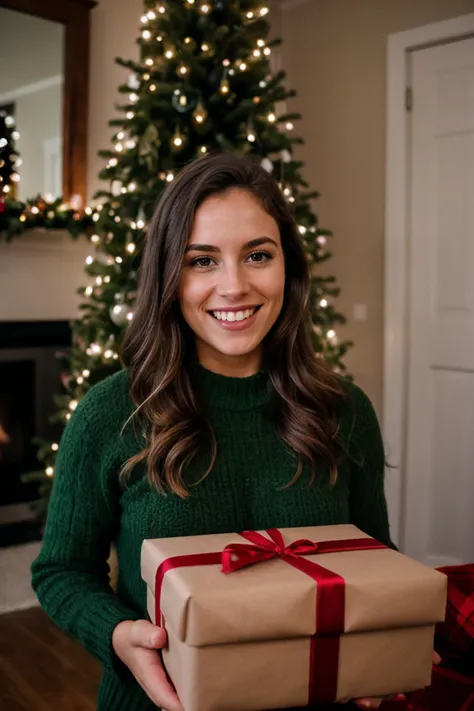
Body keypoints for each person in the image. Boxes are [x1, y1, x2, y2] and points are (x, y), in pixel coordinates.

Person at [32, 152, 401, 711]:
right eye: (202, 261)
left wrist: (383, 641)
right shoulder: (111, 414)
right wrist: (118, 636)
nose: (234, 285)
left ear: (289, 268)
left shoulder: (344, 411)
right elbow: (62, 570)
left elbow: (375, 557)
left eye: (257, 255)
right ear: (169, 275)